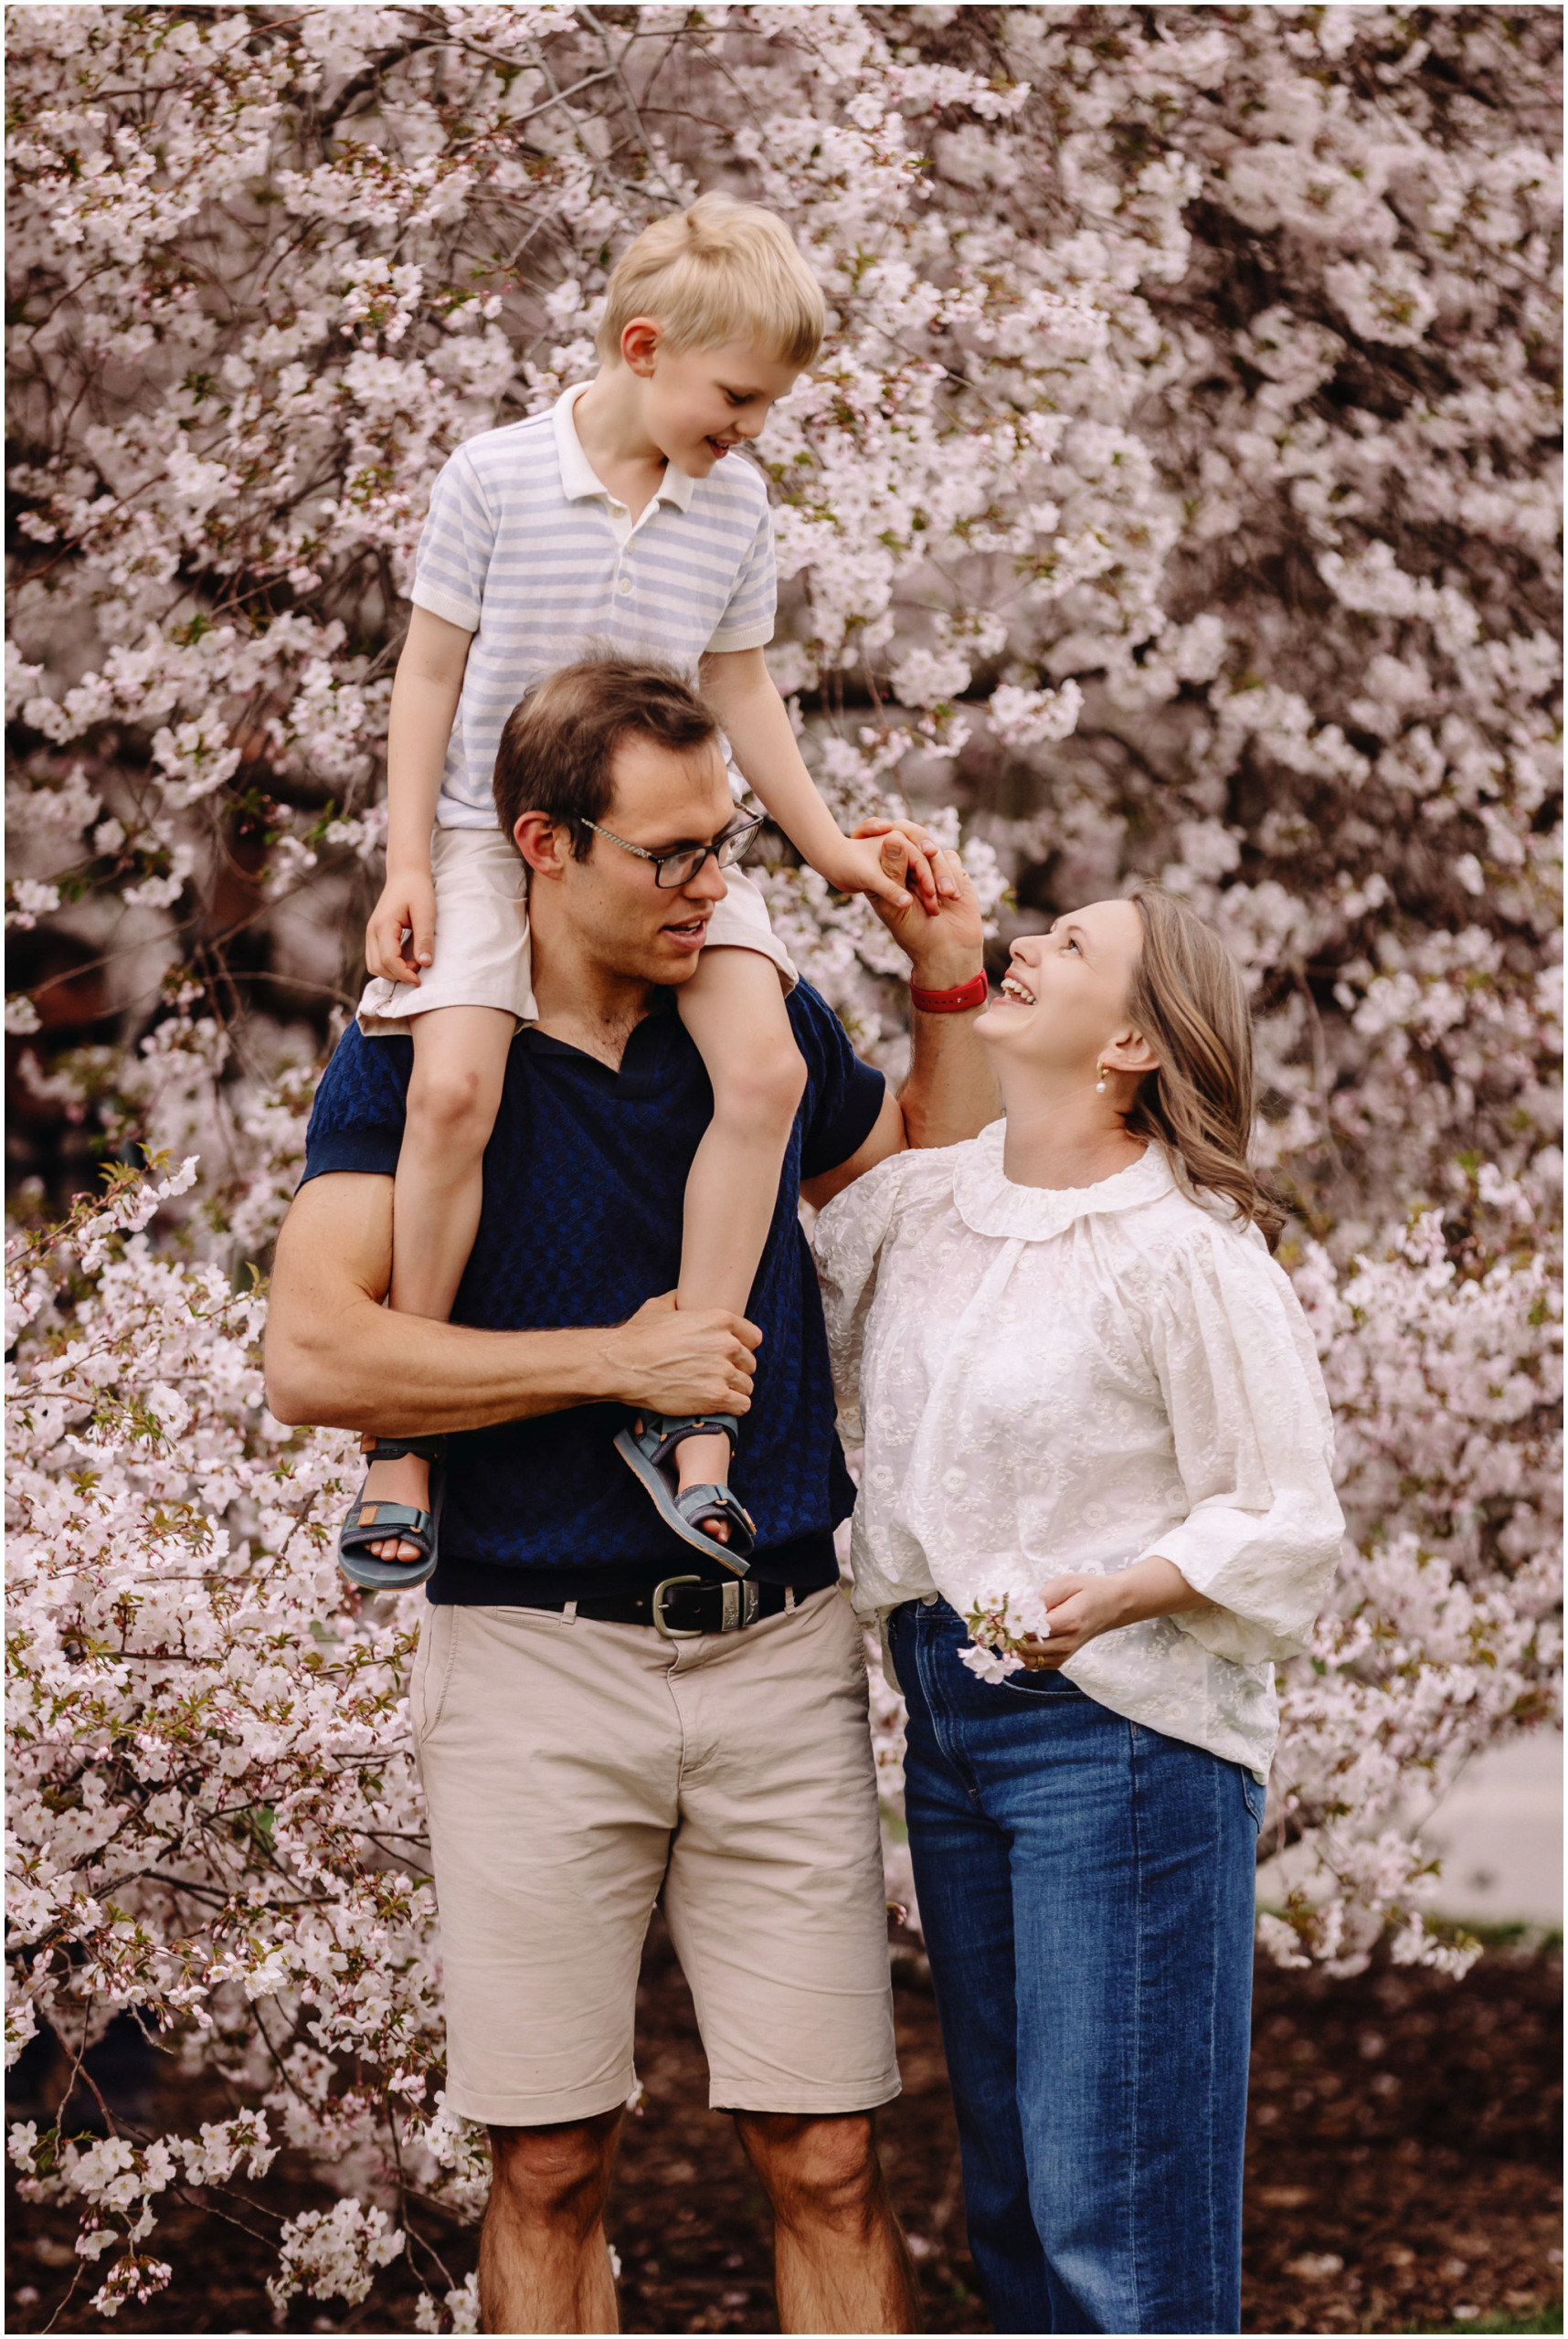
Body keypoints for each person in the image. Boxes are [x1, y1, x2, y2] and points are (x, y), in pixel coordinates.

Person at [263, 652, 998, 2335]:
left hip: (775, 1646)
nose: (711, 885)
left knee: (828, 2155)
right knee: (548, 2164)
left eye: (722, 842)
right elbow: (314, 1355)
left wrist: (946, 983)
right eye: (669, 854)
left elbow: (920, 1200)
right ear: (544, 843)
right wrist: (622, 1364)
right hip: (532, 1657)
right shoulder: (416, 1059)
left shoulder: (758, 1026)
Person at [344, 192, 948, 1579]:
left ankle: (696, 1418)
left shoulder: (733, 506)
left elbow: (741, 686)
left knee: (767, 1074)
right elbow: (427, 676)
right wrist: (409, 862)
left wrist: (828, 850)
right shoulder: (496, 477)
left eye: (768, 404)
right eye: (736, 397)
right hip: (498, 838)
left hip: (670, 845)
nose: (752, 426)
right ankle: (404, 1437)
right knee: (451, 1091)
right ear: (642, 349)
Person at [812, 886, 1345, 2336]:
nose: (1025, 949)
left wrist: (1119, 1594)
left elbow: (1285, 1511)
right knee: (1015, 2214)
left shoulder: (1187, 1252)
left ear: (1131, 1045)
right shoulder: (926, 1206)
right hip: (949, 1725)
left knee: (1113, 2225)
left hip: (1117, 1739)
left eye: (1070, 947)